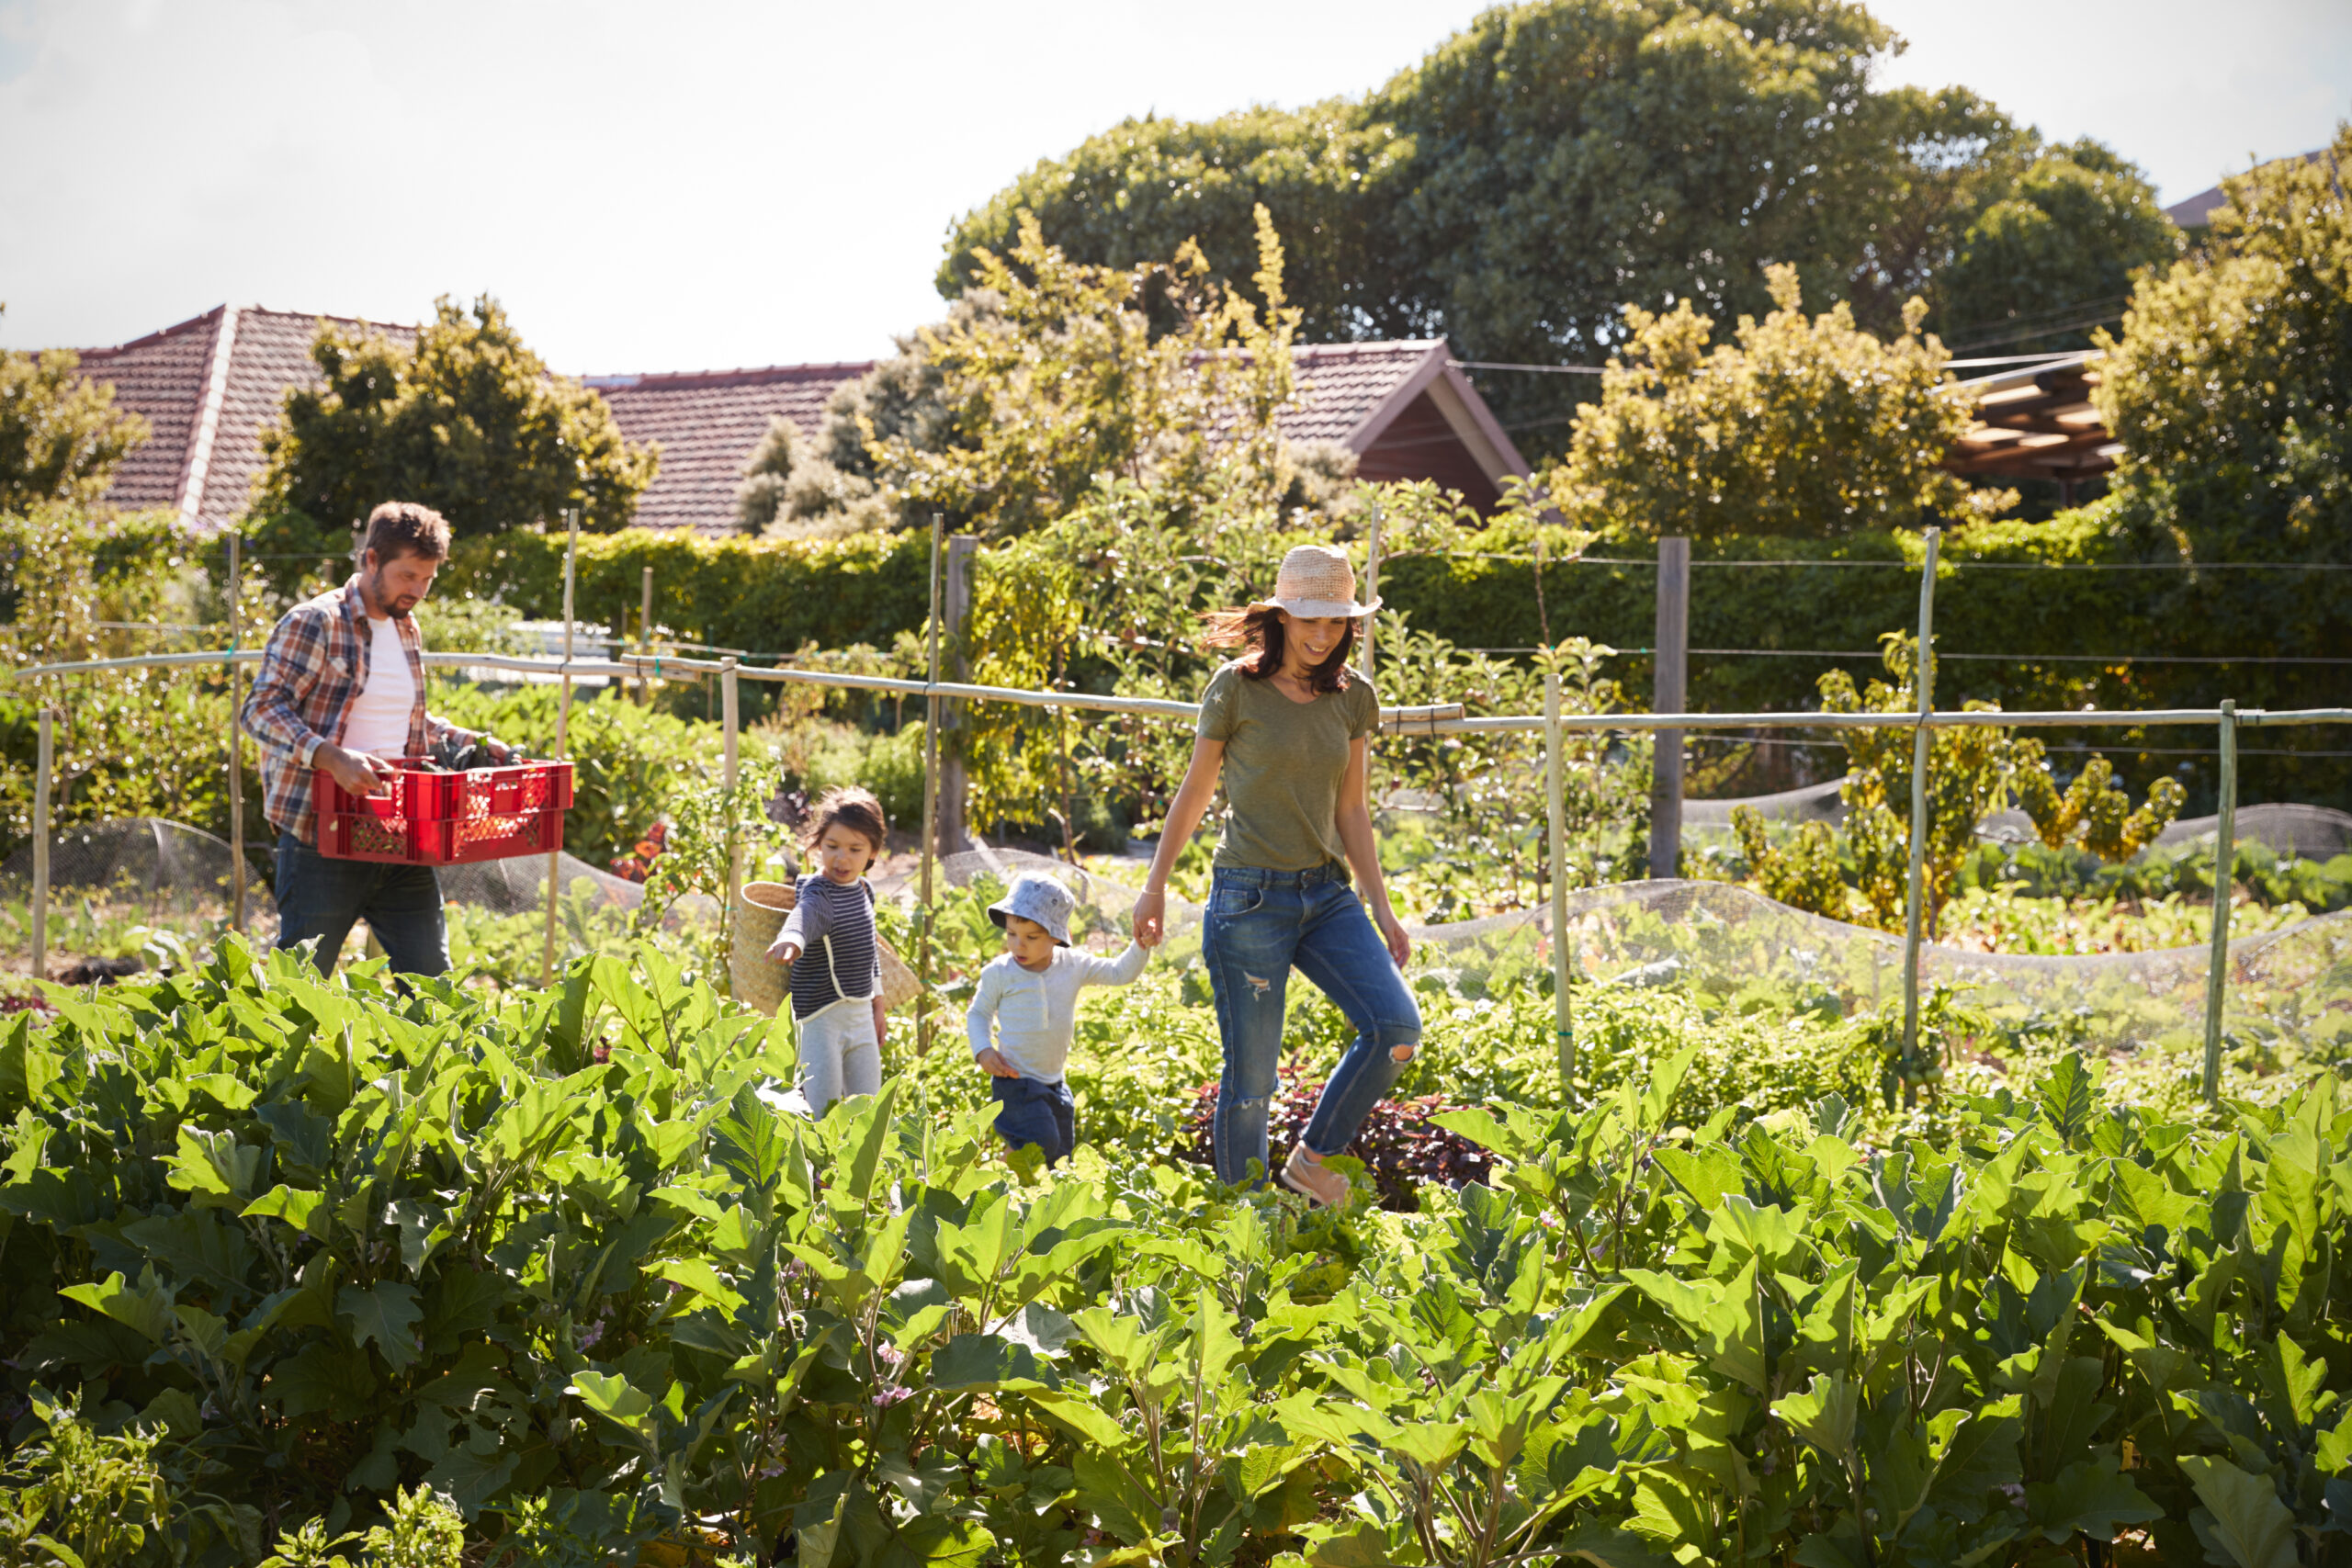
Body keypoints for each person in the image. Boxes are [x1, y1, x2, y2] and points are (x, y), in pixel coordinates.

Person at [1132, 544, 1417, 1208]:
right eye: (1310, 619)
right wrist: (1155, 884)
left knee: (1396, 1028)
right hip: (1249, 899)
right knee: (1252, 1080)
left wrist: (1382, 906)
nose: (1323, 635)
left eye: (1337, 621)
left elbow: (1351, 807)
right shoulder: (1236, 687)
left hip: (1325, 895)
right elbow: (1195, 790)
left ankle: (1313, 1159)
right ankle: (1246, 1229)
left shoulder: (1353, 698)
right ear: (1282, 616)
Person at [242, 502, 506, 976]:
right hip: (324, 836)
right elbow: (260, 710)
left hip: (401, 834)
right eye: (408, 576)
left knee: (431, 984)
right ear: (370, 560)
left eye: (427, 579)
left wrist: (471, 740)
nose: (418, 590)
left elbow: (406, 725)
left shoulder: (406, 628)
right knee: (300, 988)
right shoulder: (316, 622)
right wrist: (330, 758)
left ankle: (420, 1054)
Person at [967, 873, 1148, 1167]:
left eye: (1031, 937)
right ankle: (994, 1182)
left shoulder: (1073, 966)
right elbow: (979, 1013)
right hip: (1015, 1080)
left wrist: (1141, 945)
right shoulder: (999, 973)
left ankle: (1030, 1204)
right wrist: (983, 1049)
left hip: (1054, 1082)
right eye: (1012, 934)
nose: (1018, 945)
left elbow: (1119, 973)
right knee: (1039, 1142)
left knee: (1060, 1156)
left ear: (1055, 936)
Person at [766, 787, 889, 1115]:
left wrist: (878, 1003)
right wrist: (791, 939)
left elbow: (870, 952)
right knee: (824, 1110)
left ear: (873, 852)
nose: (841, 858)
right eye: (832, 847)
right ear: (818, 844)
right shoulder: (818, 891)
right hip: (821, 1019)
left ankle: (865, 1168)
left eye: (854, 849)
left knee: (870, 1108)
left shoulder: (864, 890)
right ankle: (820, 1167)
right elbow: (806, 915)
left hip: (861, 1015)